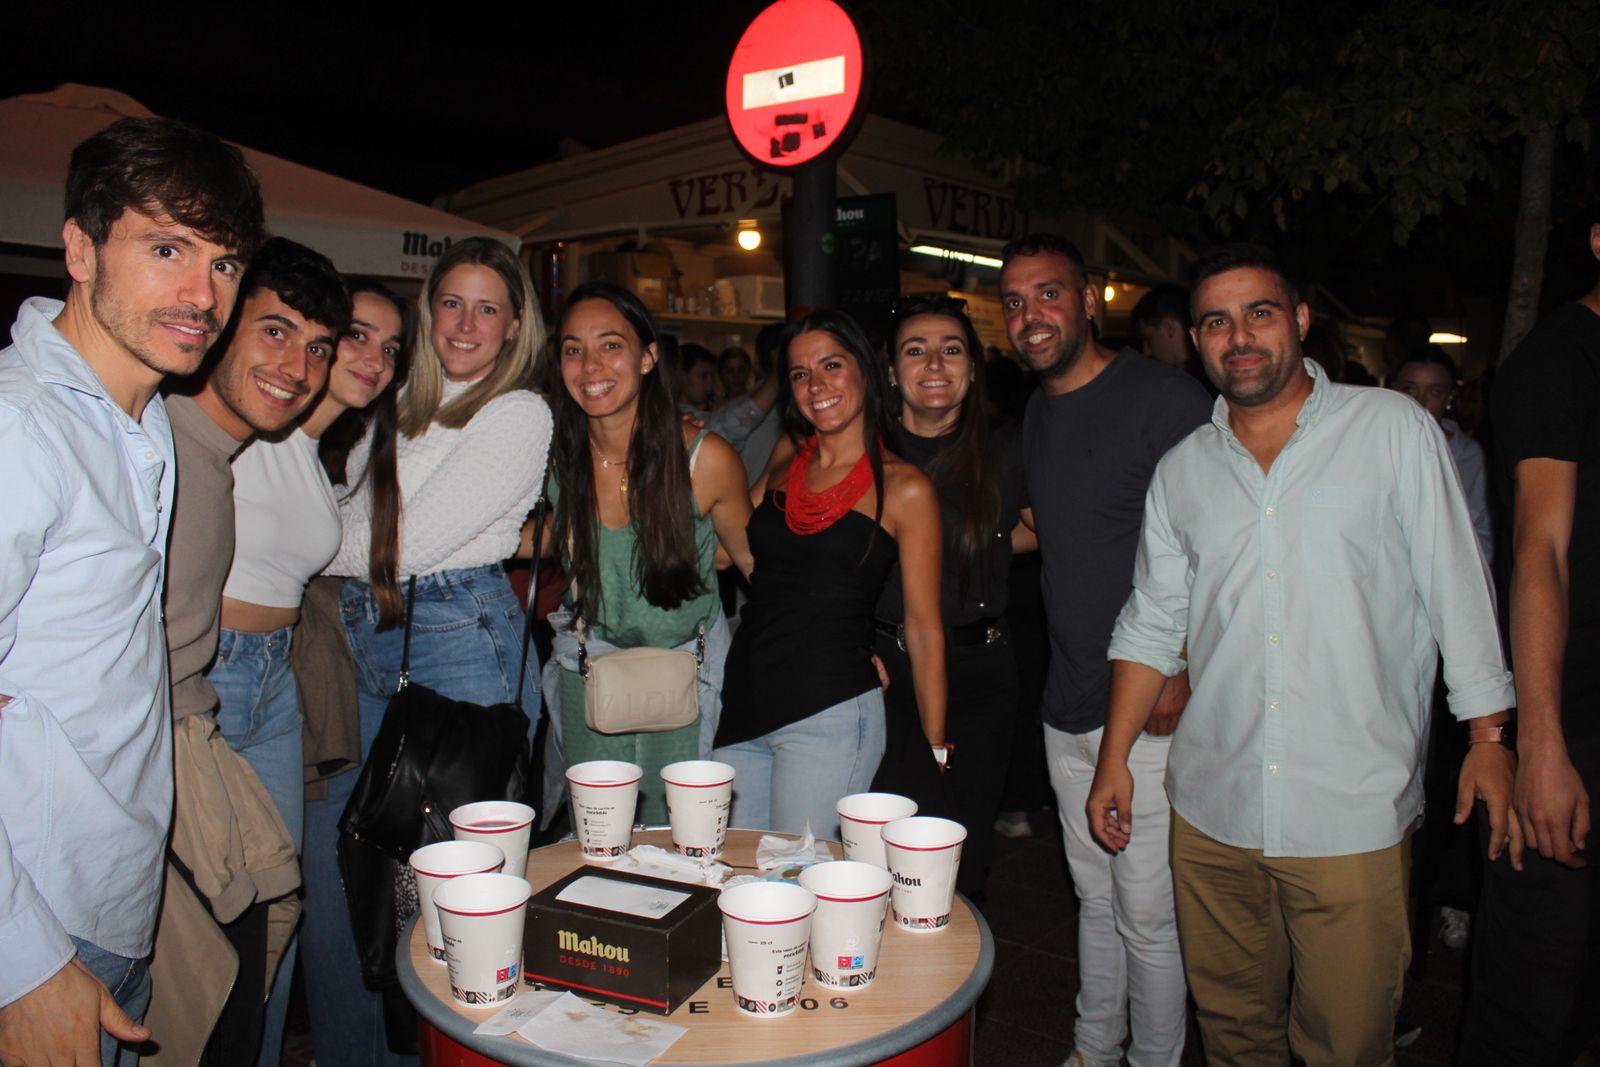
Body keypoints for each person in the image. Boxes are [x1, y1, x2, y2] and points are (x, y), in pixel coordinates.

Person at [1087, 245, 1517, 1067]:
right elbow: (1150, 622)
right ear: (1198, 338)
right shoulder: (1183, 472)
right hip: (1212, 807)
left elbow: (1457, 589)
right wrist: (1116, 759)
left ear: (1301, 322)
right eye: (1216, 320)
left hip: (1349, 808)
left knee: (1346, 1045)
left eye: (1259, 313)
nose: (1237, 336)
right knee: (1235, 1035)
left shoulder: (1390, 429)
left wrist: (1489, 738)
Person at [0, 116, 263, 1067]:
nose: (203, 294)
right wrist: (22, 965)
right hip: (38, 927)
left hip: (108, 900)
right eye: (166, 249)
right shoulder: (21, 430)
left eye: (225, 263)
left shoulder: (140, 425)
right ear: (78, 247)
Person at [302, 237, 551, 1067]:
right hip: (371, 629)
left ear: (516, 323)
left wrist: (285, 536)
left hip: (458, 638)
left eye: (488, 306)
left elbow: (400, 541)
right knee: (356, 867)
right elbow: (353, 515)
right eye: (452, 302)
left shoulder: (517, 411)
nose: (467, 322)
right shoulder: (406, 398)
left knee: (445, 895)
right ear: (428, 310)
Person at [1005, 233, 1211, 1067]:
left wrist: (1181, 667)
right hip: (1068, 699)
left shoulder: (1168, 400)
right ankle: (1095, 1049)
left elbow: (1219, 545)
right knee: (1095, 897)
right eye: (1014, 302)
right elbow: (1049, 530)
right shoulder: (1037, 411)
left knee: (1149, 916)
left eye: (1048, 294)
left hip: (1150, 701)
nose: (1030, 317)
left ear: (1091, 300)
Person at [206, 278, 413, 1067]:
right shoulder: (242, 430)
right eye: (355, 336)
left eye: (390, 348)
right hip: (214, 675)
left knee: (275, 906)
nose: (374, 359)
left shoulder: (318, 454)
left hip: (275, 684)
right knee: (216, 913)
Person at [153, 236, 348, 1066]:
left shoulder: (231, 449)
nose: (297, 364)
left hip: (252, 691)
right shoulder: (149, 435)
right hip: (182, 712)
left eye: (316, 348)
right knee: (191, 955)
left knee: (267, 918)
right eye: (275, 330)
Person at [714, 309, 946, 837]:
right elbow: (733, 549)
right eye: (799, 373)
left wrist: (936, 745)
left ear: (866, 370)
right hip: (746, 695)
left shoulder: (906, 488)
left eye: (832, 365)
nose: (815, 384)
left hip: (830, 708)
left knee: (796, 883)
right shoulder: (787, 454)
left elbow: (924, 626)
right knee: (732, 876)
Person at [1460, 199, 1600, 1066]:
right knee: (1528, 1001)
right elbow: (1538, 554)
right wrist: (1540, 744)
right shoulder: (1558, 359)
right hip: (1575, 724)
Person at [543, 281, 755, 822]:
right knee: (595, 841)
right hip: (588, 668)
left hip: (685, 670)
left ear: (647, 357)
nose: (590, 365)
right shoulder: (554, 458)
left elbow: (760, 568)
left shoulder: (704, 459)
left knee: (677, 840)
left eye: (610, 344)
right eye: (573, 349)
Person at [873, 295, 1027, 901]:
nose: (934, 363)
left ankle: (954, 987)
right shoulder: (863, 450)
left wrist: (970, 549)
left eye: (951, 349)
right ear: (890, 370)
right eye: (916, 350)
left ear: (973, 366)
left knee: (962, 856)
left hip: (981, 674)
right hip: (886, 674)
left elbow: (1039, 529)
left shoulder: (1006, 450)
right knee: (879, 849)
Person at [1391, 345, 1492, 559]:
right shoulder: (1374, 446)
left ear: (1449, 397)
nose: (1420, 401)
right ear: (1394, 389)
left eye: (1434, 392)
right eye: (1410, 389)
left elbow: (1482, 535)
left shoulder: (1470, 456)